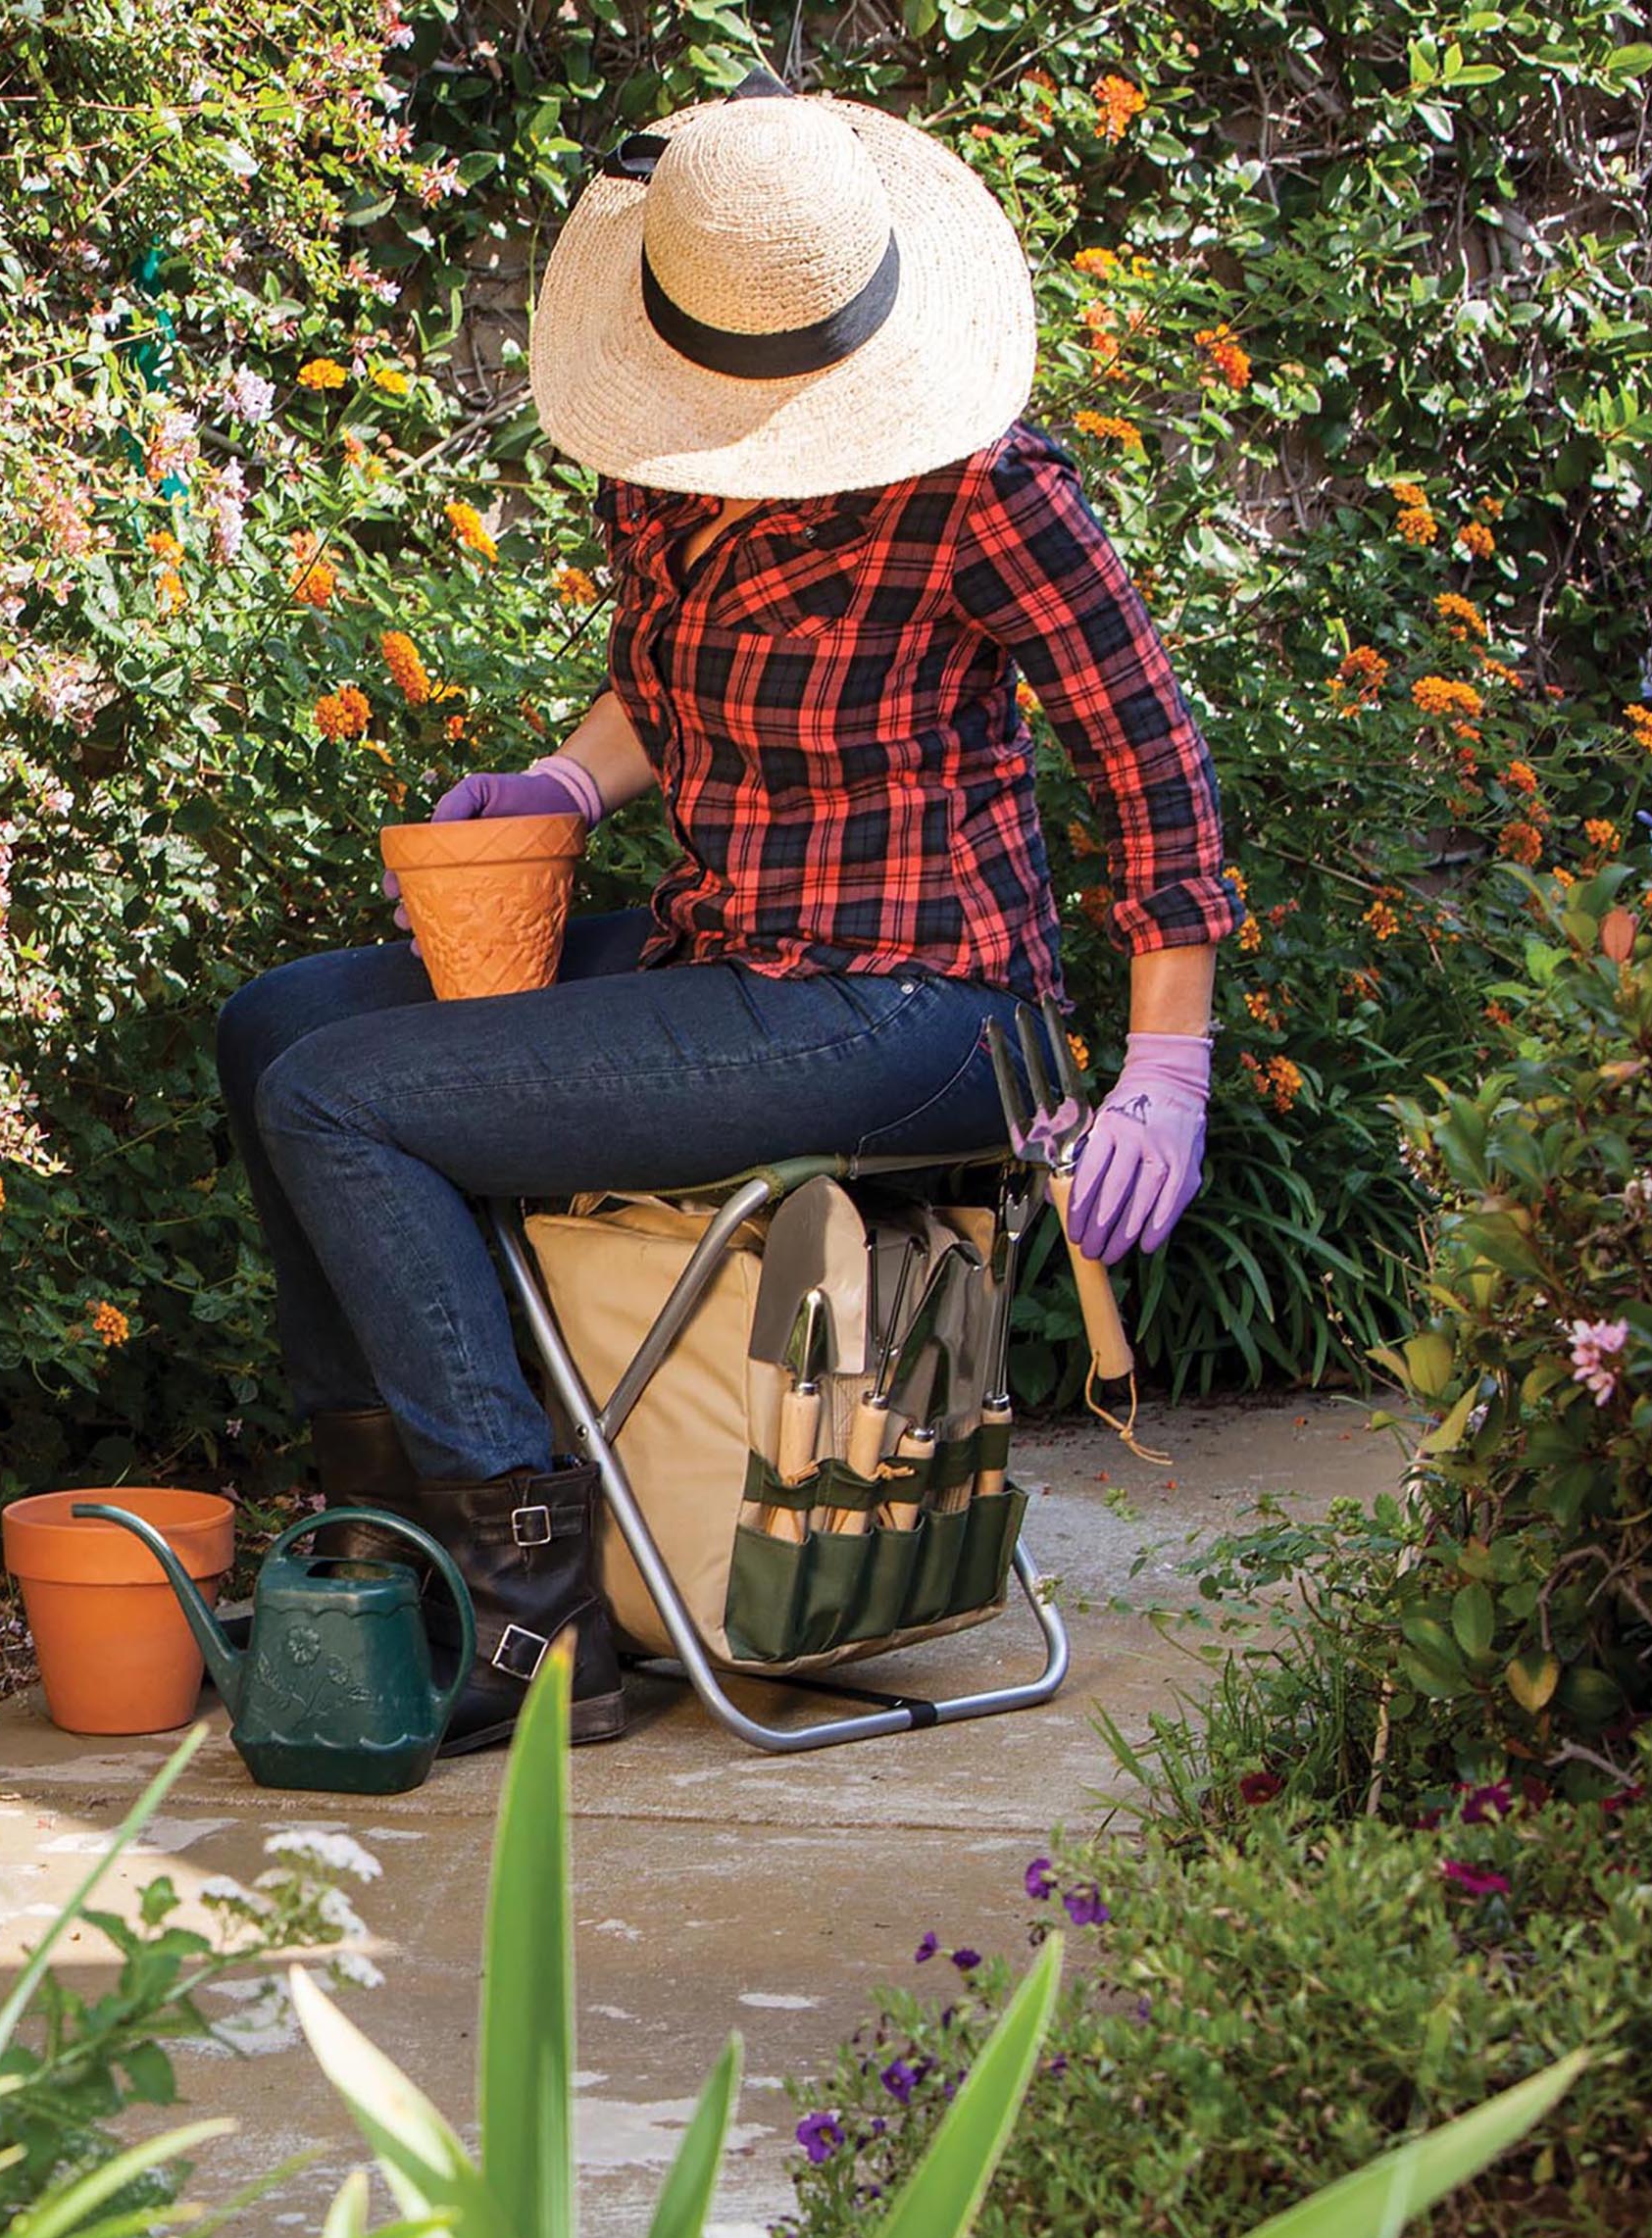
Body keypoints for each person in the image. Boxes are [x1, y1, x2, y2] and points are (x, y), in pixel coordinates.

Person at [217, 67, 1232, 1754]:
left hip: (917, 1005)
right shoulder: (664, 450)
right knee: (287, 1027)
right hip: (732, 946)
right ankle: (399, 1550)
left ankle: (526, 1620)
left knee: (344, 1102)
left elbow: (1156, 762)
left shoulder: (987, 483)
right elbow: (662, 690)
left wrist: (1166, 1062)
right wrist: (561, 784)